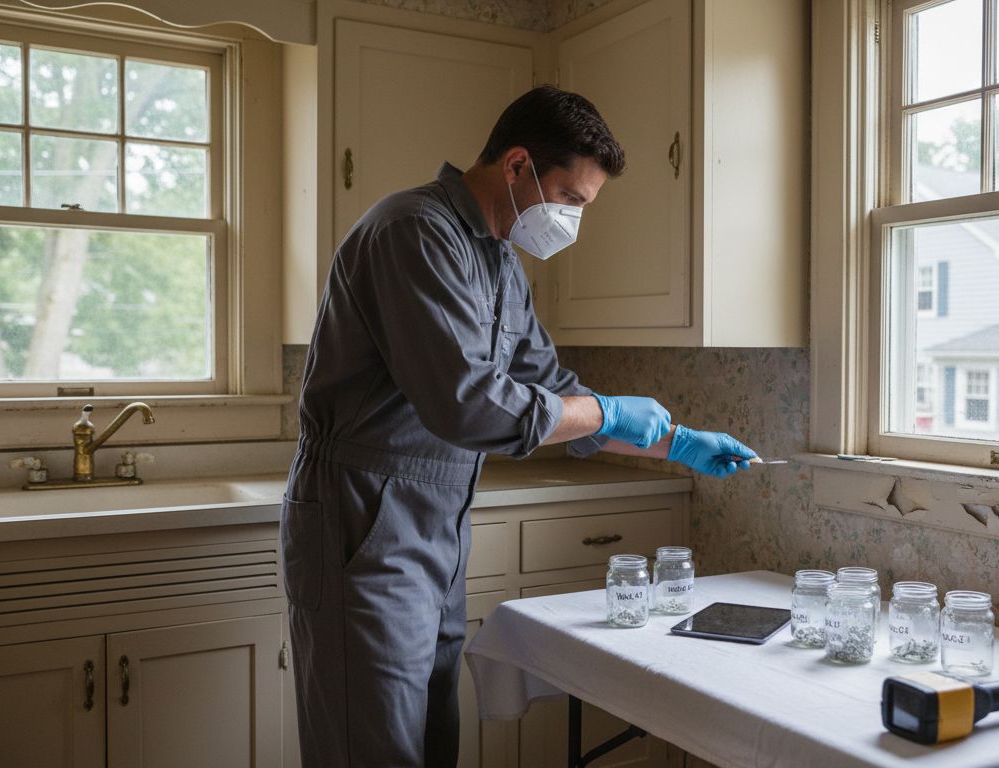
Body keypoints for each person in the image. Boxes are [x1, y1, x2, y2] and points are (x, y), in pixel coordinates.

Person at [281, 85, 756, 768]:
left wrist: (674, 442)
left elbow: (553, 393)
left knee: (431, 740)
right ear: (516, 165)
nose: (570, 219)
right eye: (570, 199)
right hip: (364, 516)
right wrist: (612, 410)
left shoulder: (501, 261)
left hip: (437, 523)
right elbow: (471, 405)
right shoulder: (413, 231)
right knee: (372, 747)